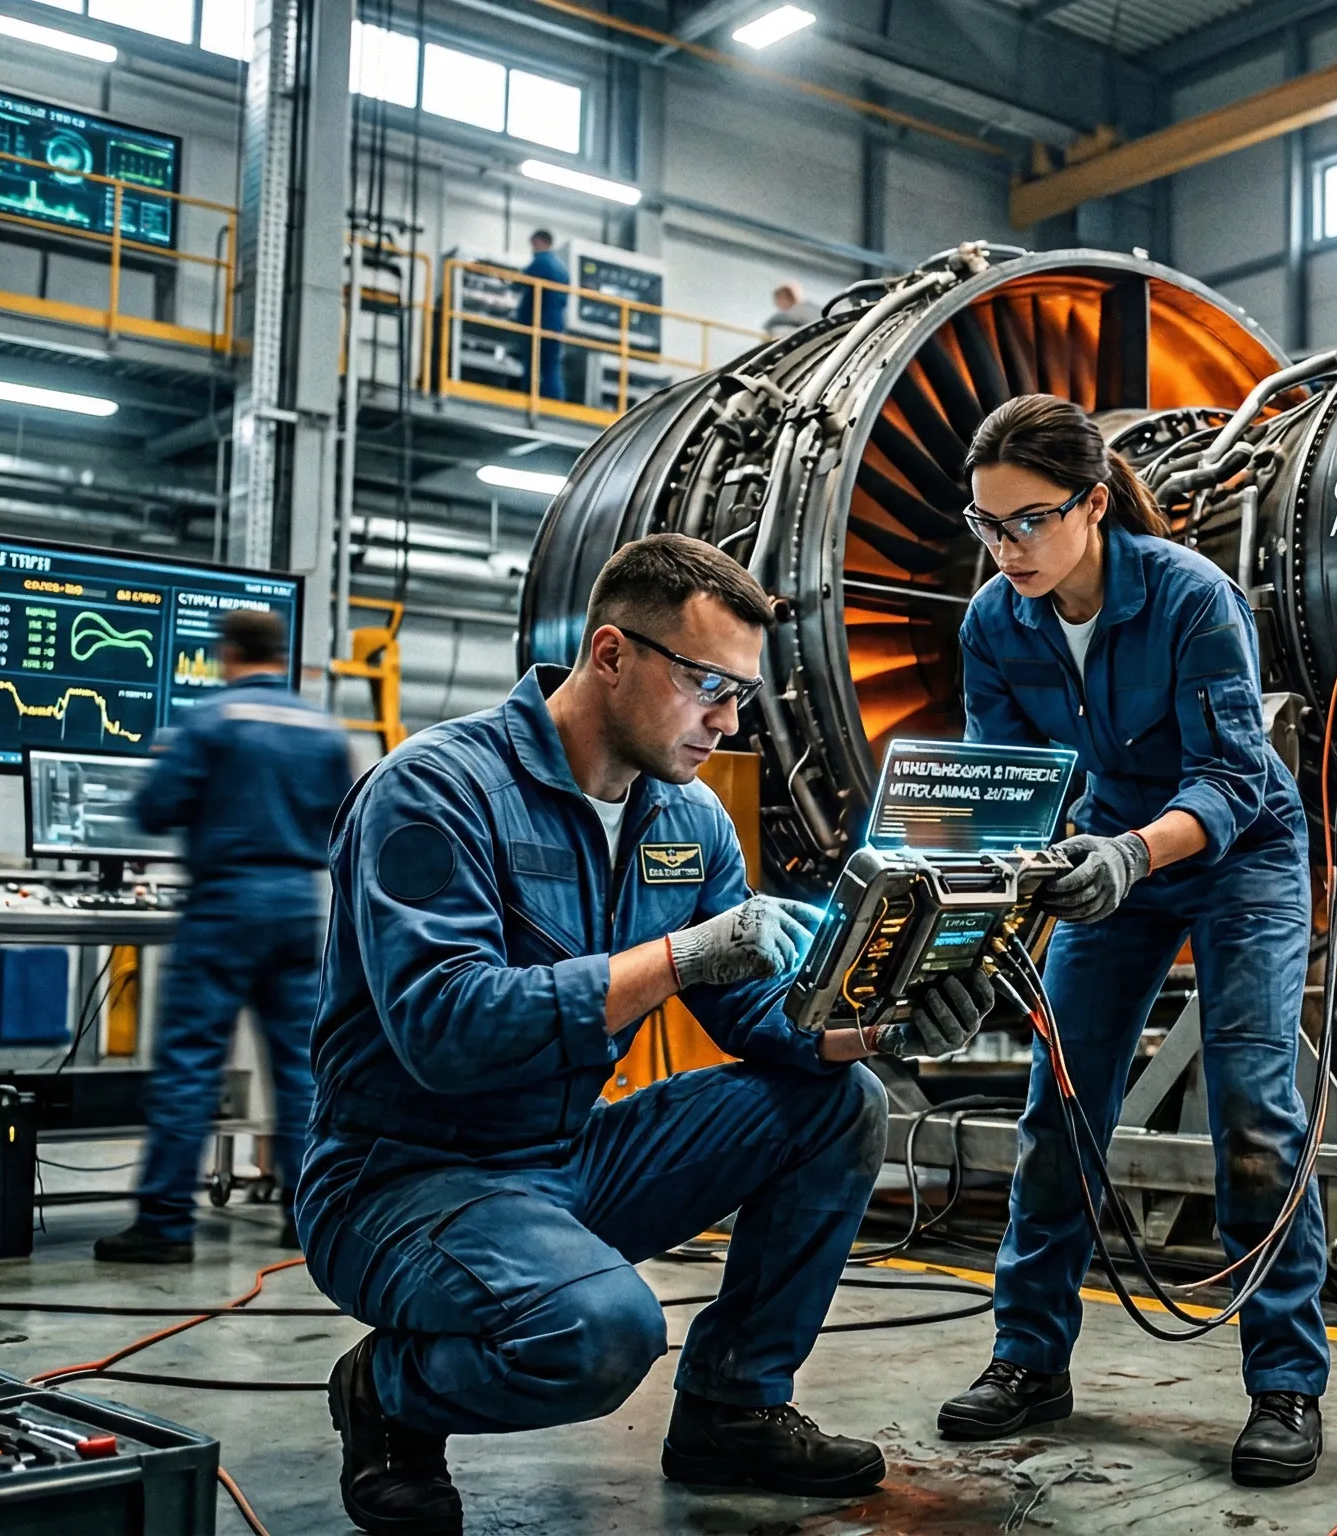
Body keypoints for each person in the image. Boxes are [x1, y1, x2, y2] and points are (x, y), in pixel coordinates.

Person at [297, 534, 992, 1536]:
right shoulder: (435, 792)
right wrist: (679, 958)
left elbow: (755, 1021)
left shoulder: (688, 819)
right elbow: (443, 1031)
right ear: (612, 654)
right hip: (399, 1179)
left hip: (566, 1157)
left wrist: (873, 1026)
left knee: (840, 1106)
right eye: (706, 682)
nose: (725, 719)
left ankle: (733, 1406)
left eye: (741, 694)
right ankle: (388, 1392)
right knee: (598, 1333)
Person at [935, 395, 1328, 1488]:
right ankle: (1028, 1361)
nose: (1006, 547)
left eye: (1027, 521)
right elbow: (1004, 789)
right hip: (1109, 856)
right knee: (1060, 1102)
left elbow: (1234, 776)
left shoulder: (1190, 598)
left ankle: (1285, 1384)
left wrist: (1125, 855)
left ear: (1093, 504)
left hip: (1235, 852)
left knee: (1253, 1107)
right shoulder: (993, 625)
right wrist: (999, 893)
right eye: (986, 524)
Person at [95, 607, 353, 1264]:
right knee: (300, 1067)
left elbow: (153, 809)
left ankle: (163, 1224)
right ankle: (306, 1213)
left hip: (224, 906)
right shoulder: (322, 731)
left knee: (189, 1063)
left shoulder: (209, 722)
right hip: (299, 907)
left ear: (230, 654)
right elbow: (343, 819)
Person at [517, 228, 569, 402]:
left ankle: (531, 397)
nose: (532, 248)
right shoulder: (561, 267)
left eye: (533, 244)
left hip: (540, 324)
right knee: (551, 365)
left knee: (534, 364)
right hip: (554, 325)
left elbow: (519, 282)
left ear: (540, 242)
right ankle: (555, 401)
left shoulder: (542, 262)